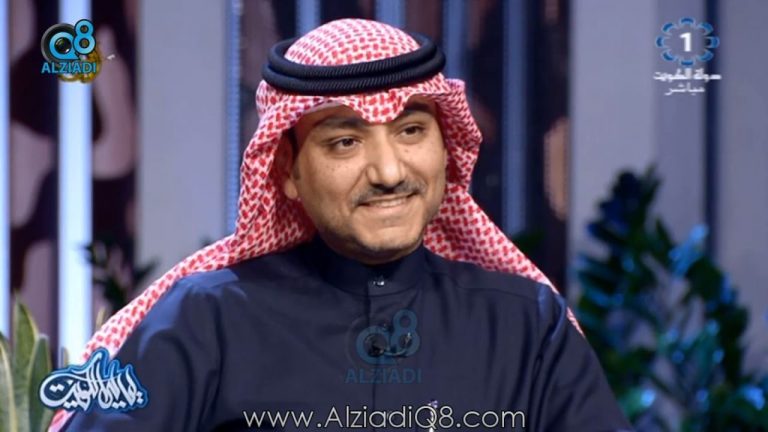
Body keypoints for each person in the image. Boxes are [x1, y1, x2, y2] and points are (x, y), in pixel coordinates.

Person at [53, 18, 632, 431]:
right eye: (345, 142)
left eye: (411, 131)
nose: (389, 172)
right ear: (286, 170)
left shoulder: (526, 326)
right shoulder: (205, 320)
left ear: (446, 147)